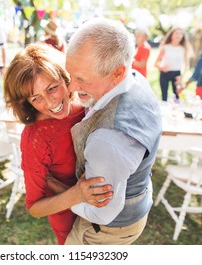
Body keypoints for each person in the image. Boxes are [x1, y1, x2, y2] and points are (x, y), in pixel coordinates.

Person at [64, 18, 162, 245]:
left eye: (80, 79)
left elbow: (102, 213)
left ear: (118, 73)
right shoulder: (137, 79)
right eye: (70, 75)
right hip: (137, 207)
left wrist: (65, 197)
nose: (71, 88)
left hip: (106, 230)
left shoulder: (107, 140)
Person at [3, 43, 113, 245]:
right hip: (70, 224)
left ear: (65, 77)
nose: (50, 103)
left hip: (110, 221)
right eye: (36, 98)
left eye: (52, 88)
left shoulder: (89, 108)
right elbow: (34, 207)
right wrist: (77, 194)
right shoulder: (36, 137)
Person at [154, 27, 192, 101]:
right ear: (171, 35)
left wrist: (181, 77)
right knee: (164, 97)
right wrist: (161, 68)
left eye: (181, 34)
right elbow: (155, 63)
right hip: (165, 73)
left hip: (177, 74)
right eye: (176, 33)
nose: (178, 35)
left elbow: (187, 65)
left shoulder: (183, 49)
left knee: (177, 96)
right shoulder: (165, 47)